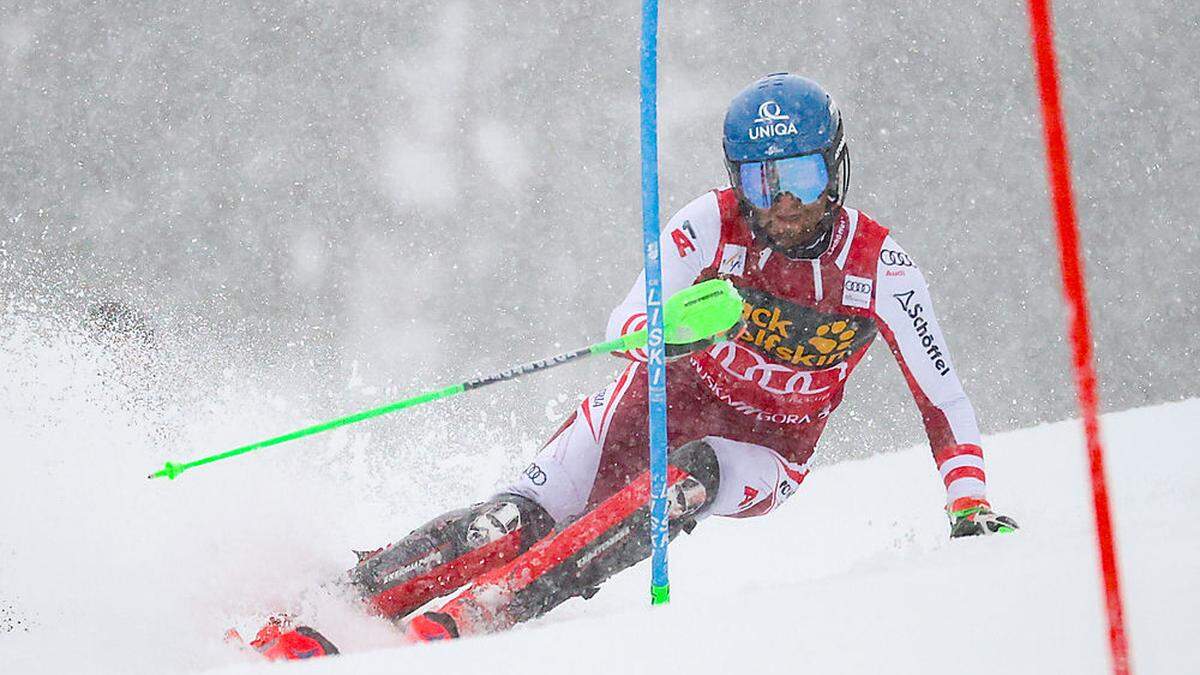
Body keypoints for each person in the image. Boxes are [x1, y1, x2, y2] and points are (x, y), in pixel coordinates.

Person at [248, 73, 1017, 660]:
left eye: (804, 177)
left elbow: (942, 396)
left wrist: (968, 503)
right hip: (650, 399)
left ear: (837, 171)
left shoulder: (880, 264)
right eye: (761, 179)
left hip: (762, 454)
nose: (783, 202)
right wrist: (666, 331)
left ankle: (482, 612)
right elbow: (624, 321)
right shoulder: (710, 223)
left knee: (686, 475)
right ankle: (323, 605)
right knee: (508, 520)